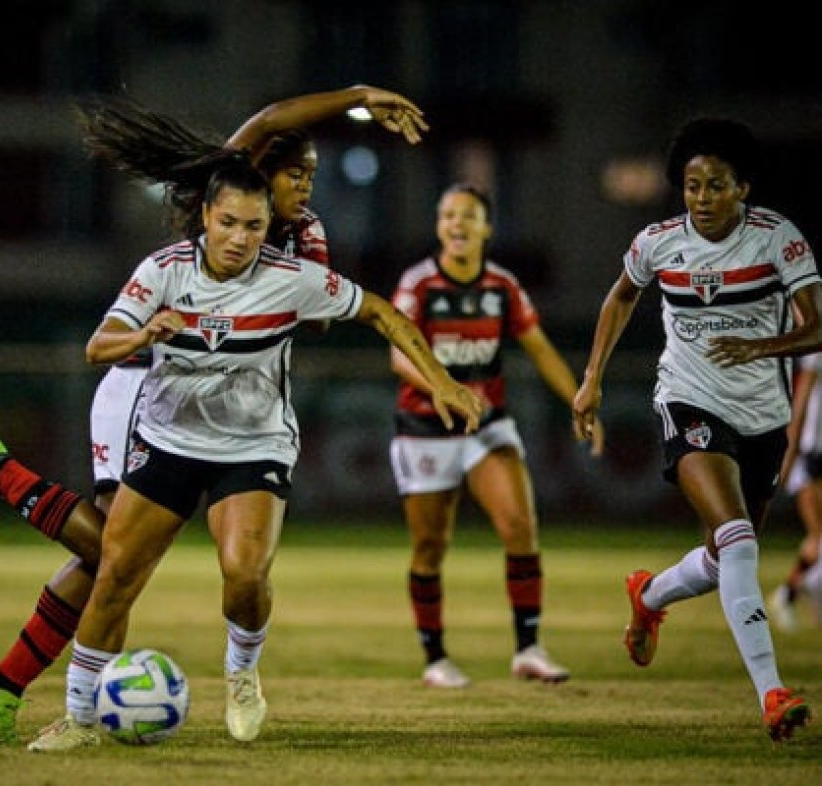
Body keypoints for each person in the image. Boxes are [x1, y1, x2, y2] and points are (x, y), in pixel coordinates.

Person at [0, 85, 433, 745]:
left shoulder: (302, 234)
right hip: (142, 382)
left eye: (312, 174)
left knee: (110, 561)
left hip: (218, 407)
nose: (306, 186)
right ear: (252, 180)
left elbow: (315, 317)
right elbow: (268, 119)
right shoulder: (224, 198)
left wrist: (287, 283)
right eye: (296, 173)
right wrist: (354, 97)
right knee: (113, 555)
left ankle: (4, 684)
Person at [25, 160, 485, 751]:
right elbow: (98, 346)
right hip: (168, 439)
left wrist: (440, 381)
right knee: (115, 575)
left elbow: (381, 311)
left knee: (244, 575)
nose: (241, 238)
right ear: (206, 219)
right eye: (229, 223)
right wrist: (142, 336)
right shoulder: (163, 271)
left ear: (270, 225)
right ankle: (80, 720)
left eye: (255, 225)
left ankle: (242, 672)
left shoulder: (291, 277)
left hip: (253, 444)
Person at [571, 117, 820, 742]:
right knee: (738, 541)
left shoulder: (777, 240)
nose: (701, 199)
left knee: (722, 556)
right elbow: (621, 295)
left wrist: (764, 346)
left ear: (743, 188)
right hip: (688, 402)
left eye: (715, 186)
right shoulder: (658, 242)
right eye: (691, 186)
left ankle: (650, 594)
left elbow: (817, 326)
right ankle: (771, 693)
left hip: (763, 415)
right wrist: (592, 378)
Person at [389, 184, 603, 689]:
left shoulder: (502, 285)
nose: (457, 224)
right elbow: (398, 355)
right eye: (447, 215)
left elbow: (540, 348)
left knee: (520, 525)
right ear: (438, 225)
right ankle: (435, 657)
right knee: (430, 546)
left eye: (469, 215)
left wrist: (580, 399)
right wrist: (444, 387)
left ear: (488, 227)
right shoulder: (418, 284)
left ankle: (528, 648)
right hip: (424, 428)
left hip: (488, 425)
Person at [769, 352, 822, 631]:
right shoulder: (817, 348)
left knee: (817, 539)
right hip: (814, 452)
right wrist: (789, 454)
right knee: (817, 537)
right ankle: (794, 593)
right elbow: (801, 403)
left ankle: (793, 593)